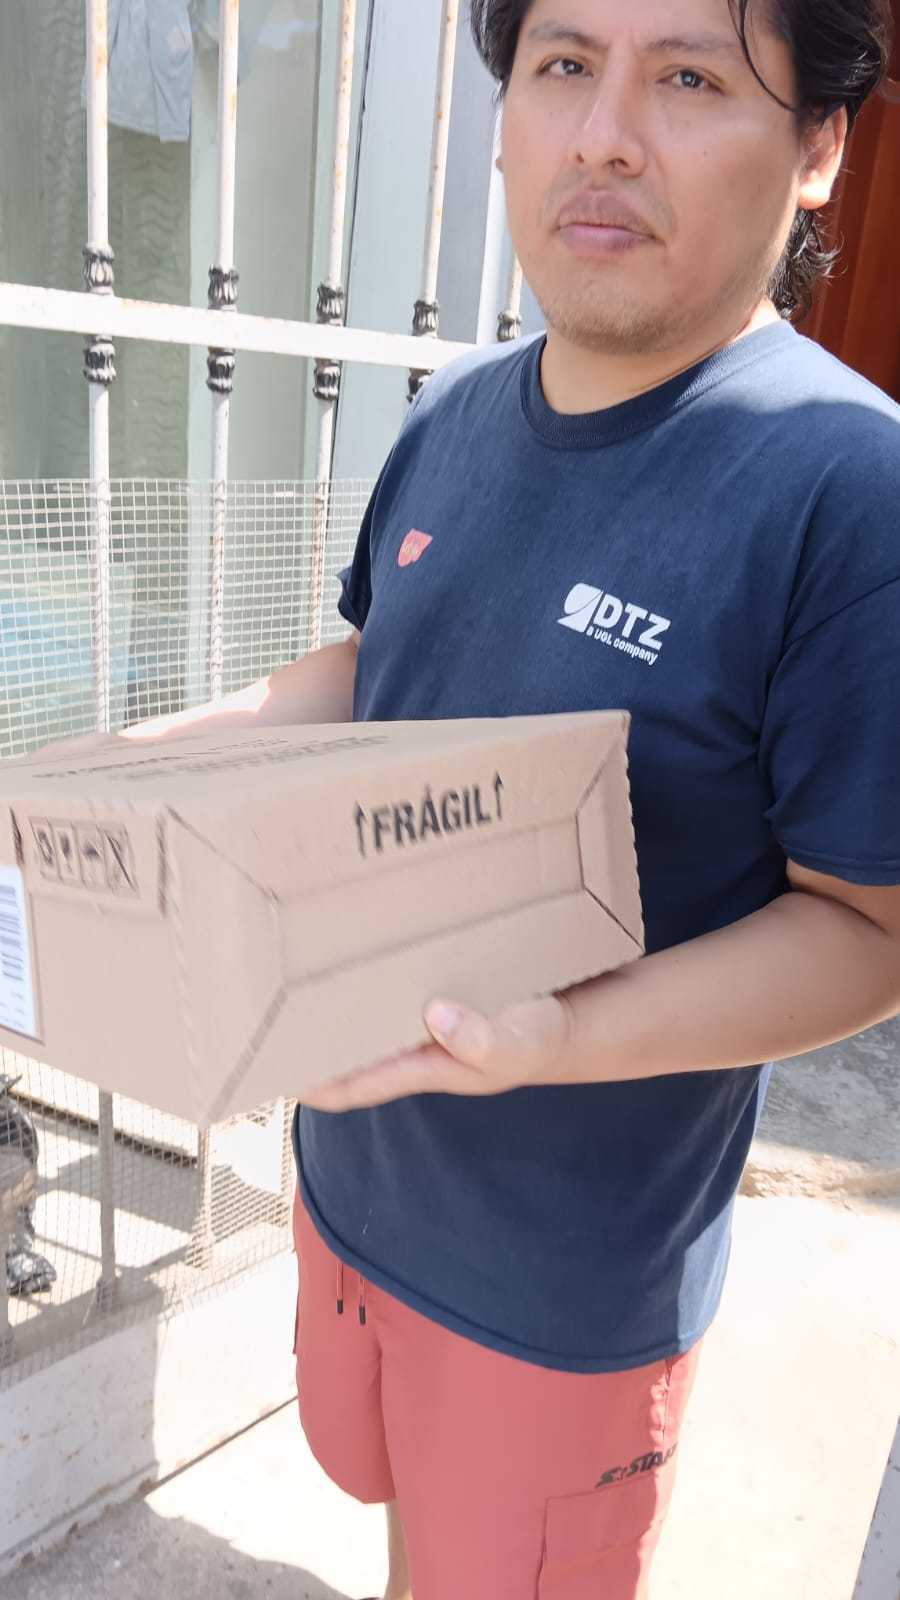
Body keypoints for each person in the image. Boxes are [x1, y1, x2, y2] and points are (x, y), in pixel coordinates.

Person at [43, 0, 898, 1594]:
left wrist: (559, 1034)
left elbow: (868, 930)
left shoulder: (849, 489)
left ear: (820, 149)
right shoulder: (459, 410)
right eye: (564, 66)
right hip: (352, 1176)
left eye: (691, 76)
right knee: (407, 1537)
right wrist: (177, 748)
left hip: (561, 1280)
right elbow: (381, 662)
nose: (604, 137)